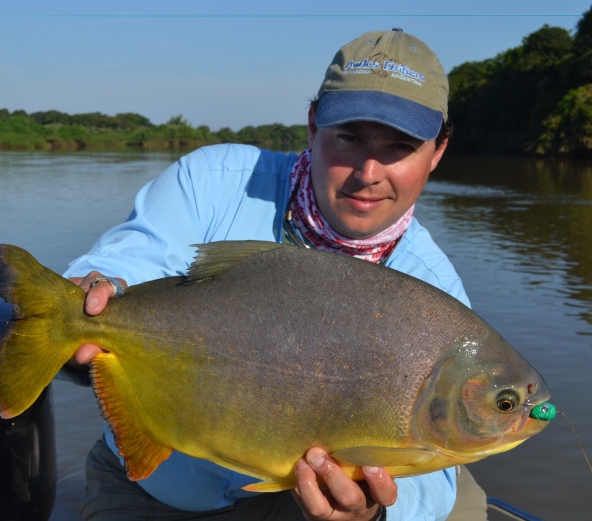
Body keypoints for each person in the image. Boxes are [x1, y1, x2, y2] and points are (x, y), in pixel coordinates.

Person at [62, 28, 486, 521]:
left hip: (302, 505)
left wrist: (370, 512)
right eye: (349, 137)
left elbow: (434, 477)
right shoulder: (213, 181)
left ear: (437, 152)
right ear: (311, 126)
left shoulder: (435, 292)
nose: (369, 172)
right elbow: (129, 262)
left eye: (400, 147)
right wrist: (95, 289)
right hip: (154, 484)